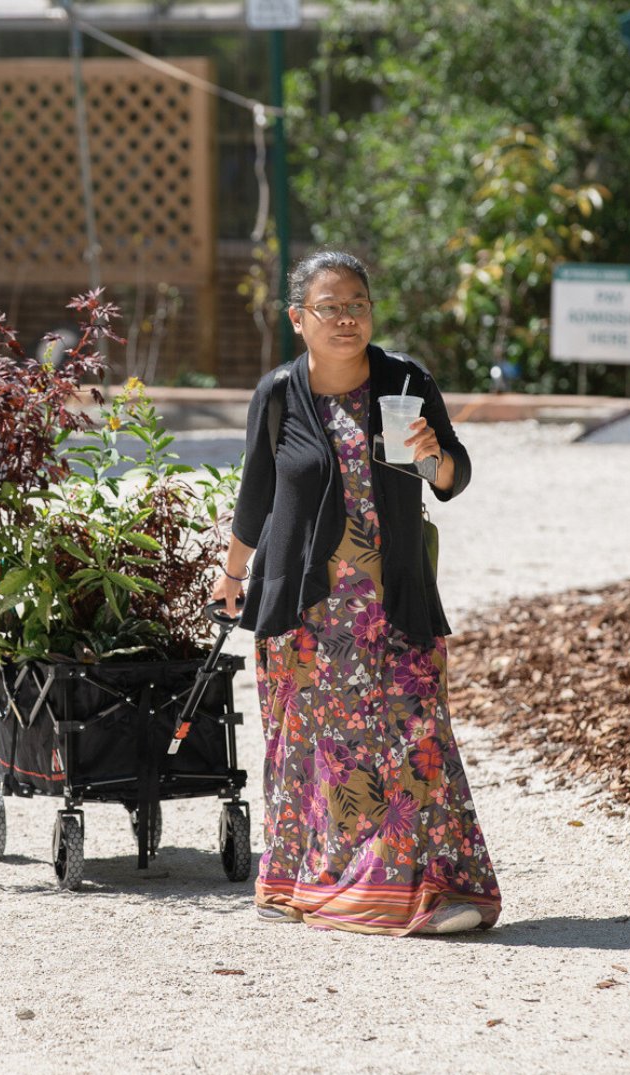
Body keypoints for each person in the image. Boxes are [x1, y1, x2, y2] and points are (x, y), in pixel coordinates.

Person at [213, 250, 501, 935]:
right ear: (298, 318)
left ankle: (437, 889)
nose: (346, 319)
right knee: (317, 749)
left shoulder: (405, 381)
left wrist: (432, 457)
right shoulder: (278, 394)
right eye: (330, 307)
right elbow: (257, 495)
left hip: (394, 600)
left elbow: (453, 478)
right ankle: (299, 883)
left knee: (416, 739)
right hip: (305, 610)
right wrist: (233, 575)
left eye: (357, 306)